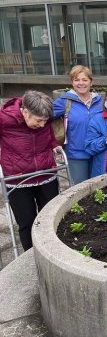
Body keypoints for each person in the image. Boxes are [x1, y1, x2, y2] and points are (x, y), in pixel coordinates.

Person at [0, 91, 60, 251]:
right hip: (18, 179)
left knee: (50, 216)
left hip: (46, 173)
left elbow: (49, 133)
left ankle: (53, 251)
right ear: (25, 111)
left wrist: (54, 144)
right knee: (26, 221)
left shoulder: (45, 117)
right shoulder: (4, 119)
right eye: (38, 120)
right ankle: (31, 255)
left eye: (44, 121)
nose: (41, 124)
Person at [53, 65, 102, 184]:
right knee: (79, 190)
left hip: (99, 152)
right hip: (77, 155)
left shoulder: (100, 101)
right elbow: (43, 119)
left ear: (91, 82)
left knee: (100, 188)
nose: (81, 83)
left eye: (84, 80)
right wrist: (52, 142)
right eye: (77, 80)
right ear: (72, 82)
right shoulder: (64, 101)